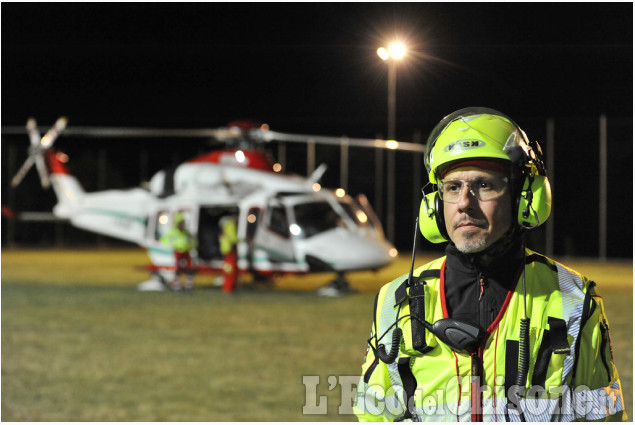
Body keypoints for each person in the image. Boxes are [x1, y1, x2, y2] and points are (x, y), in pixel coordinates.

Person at [353, 107, 626, 421]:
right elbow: (374, 413)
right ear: (435, 204)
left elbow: (599, 415)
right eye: (453, 188)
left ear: (524, 196)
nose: (465, 203)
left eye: (484, 185)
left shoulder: (575, 299)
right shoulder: (394, 299)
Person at [160, 212, 197, 292]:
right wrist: (172, 245)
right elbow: (164, 239)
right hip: (178, 251)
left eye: (183, 223)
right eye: (181, 223)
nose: (182, 225)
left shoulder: (186, 232)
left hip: (186, 251)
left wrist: (192, 245)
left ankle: (188, 286)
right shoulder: (173, 232)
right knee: (178, 269)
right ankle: (177, 286)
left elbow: (193, 240)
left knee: (190, 268)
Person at [219, 215, 239, 293]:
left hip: (226, 251)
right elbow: (233, 238)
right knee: (231, 271)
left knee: (228, 270)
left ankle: (228, 287)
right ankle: (229, 288)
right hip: (230, 251)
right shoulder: (230, 225)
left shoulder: (224, 228)